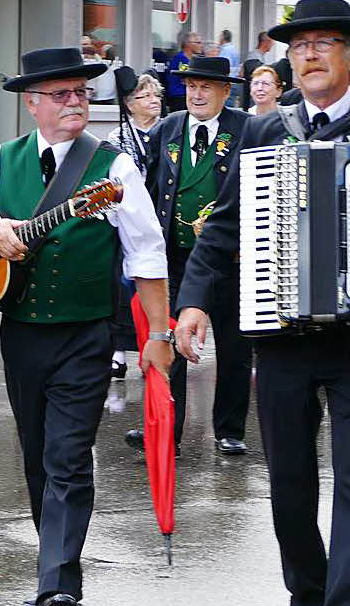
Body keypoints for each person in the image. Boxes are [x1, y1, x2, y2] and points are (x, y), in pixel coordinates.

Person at [0, 47, 174, 606]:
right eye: (61, 94)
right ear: (33, 104)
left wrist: (157, 336)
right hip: (21, 334)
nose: (74, 102)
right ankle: (55, 556)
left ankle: (57, 586)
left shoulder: (113, 168)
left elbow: (147, 256)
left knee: (67, 456)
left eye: (82, 93)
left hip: (86, 333)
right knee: (37, 455)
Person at [176, 0, 350, 606]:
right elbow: (224, 224)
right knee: (290, 486)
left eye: (325, 41)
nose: (309, 53)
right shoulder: (268, 127)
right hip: (279, 332)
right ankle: (308, 591)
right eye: (300, 45)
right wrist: (194, 298)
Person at [123, 56, 253, 457]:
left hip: (230, 258)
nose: (196, 94)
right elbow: (147, 186)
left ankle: (229, 429)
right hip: (176, 257)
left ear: (226, 91)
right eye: (192, 86)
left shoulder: (246, 129)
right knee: (167, 338)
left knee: (234, 346)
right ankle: (165, 428)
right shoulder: (168, 128)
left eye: (206, 87)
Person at [106, 67, 164, 378]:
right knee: (123, 285)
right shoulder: (119, 135)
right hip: (126, 216)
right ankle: (119, 350)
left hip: (159, 216)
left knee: (154, 284)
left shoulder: (168, 130)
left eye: (156, 95)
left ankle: (152, 345)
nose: (153, 100)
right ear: (130, 103)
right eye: (145, 95)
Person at [166, 31, 203, 113]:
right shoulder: (180, 59)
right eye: (198, 43)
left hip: (188, 96)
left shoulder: (194, 60)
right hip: (179, 97)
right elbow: (185, 79)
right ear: (188, 44)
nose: (201, 46)